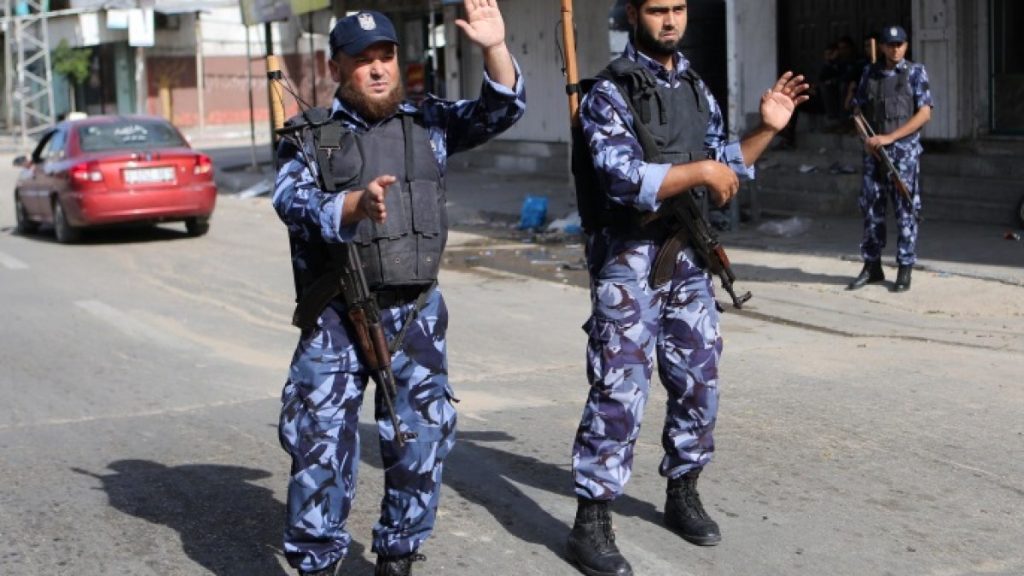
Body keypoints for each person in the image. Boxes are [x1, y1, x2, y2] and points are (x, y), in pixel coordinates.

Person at [272, 3, 524, 575]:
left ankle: (399, 554)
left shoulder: (429, 121)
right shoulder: (310, 137)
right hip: (338, 311)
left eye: (385, 56)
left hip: (415, 312)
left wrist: (494, 48)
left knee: (421, 440)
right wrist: (352, 205)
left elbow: (501, 109)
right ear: (336, 68)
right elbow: (291, 201)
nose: (378, 68)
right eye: (363, 60)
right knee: (320, 444)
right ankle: (317, 561)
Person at [566, 1, 808, 575]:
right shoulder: (608, 92)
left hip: (688, 259)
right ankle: (592, 518)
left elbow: (725, 166)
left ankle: (684, 489)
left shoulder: (697, 89)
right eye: (657, 9)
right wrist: (701, 172)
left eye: (678, 8)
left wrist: (766, 131)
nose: (670, 20)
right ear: (633, 14)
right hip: (629, 260)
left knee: (699, 382)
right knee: (619, 390)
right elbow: (623, 178)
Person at [847, 25, 932, 292]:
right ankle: (872, 266)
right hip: (875, 155)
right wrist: (866, 139)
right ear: (882, 47)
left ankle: (905, 268)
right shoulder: (870, 73)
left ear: (906, 46)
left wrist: (890, 137)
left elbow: (924, 113)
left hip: (902, 154)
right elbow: (857, 111)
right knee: (872, 210)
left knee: (905, 211)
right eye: (891, 45)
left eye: (900, 44)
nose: (896, 49)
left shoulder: (915, 72)